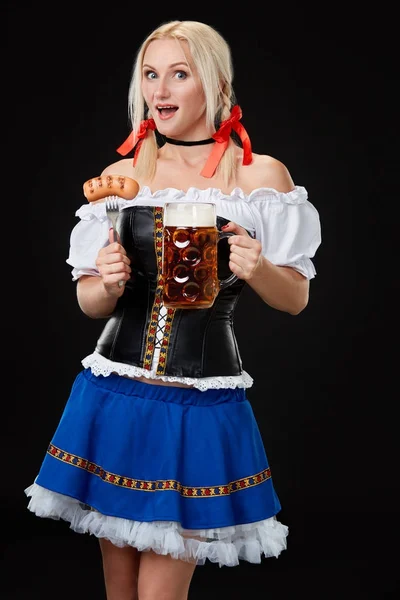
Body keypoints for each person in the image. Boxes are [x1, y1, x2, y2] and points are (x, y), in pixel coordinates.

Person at [25, 19, 321, 600]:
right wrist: (107, 284)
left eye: (179, 75)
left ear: (215, 84)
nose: (160, 90)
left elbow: (296, 299)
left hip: (197, 404)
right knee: (120, 588)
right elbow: (89, 302)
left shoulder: (262, 178)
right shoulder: (126, 178)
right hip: (116, 393)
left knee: (160, 594)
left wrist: (257, 267)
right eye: (151, 74)